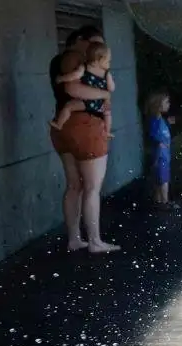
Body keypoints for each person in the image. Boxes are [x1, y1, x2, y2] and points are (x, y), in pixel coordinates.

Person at [49, 26, 120, 254]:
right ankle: (95, 241)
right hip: (85, 125)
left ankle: (74, 239)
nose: (95, 51)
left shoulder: (57, 60)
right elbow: (73, 88)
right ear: (80, 40)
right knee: (91, 187)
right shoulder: (75, 58)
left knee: (74, 185)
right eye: (93, 45)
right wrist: (104, 94)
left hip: (64, 128)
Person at [51, 42, 115, 138]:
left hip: (86, 102)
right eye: (108, 61)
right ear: (98, 61)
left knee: (69, 107)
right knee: (108, 114)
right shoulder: (106, 74)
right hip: (100, 104)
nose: (109, 64)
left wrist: (61, 78)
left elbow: (74, 76)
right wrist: (108, 88)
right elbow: (111, 88)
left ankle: (59, 124)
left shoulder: (84, 67)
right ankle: (107, 131)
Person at [144, 91, 177, 211]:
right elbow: (155, 137)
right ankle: (165, 202)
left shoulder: (160, 120)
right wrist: (159, 147)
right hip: (160, 156)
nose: (168, 104)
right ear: (158, 105)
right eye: (166, 102)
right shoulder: (155, 121)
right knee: (164, 180)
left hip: (164, 155)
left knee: (160, 179)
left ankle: (158, 200)